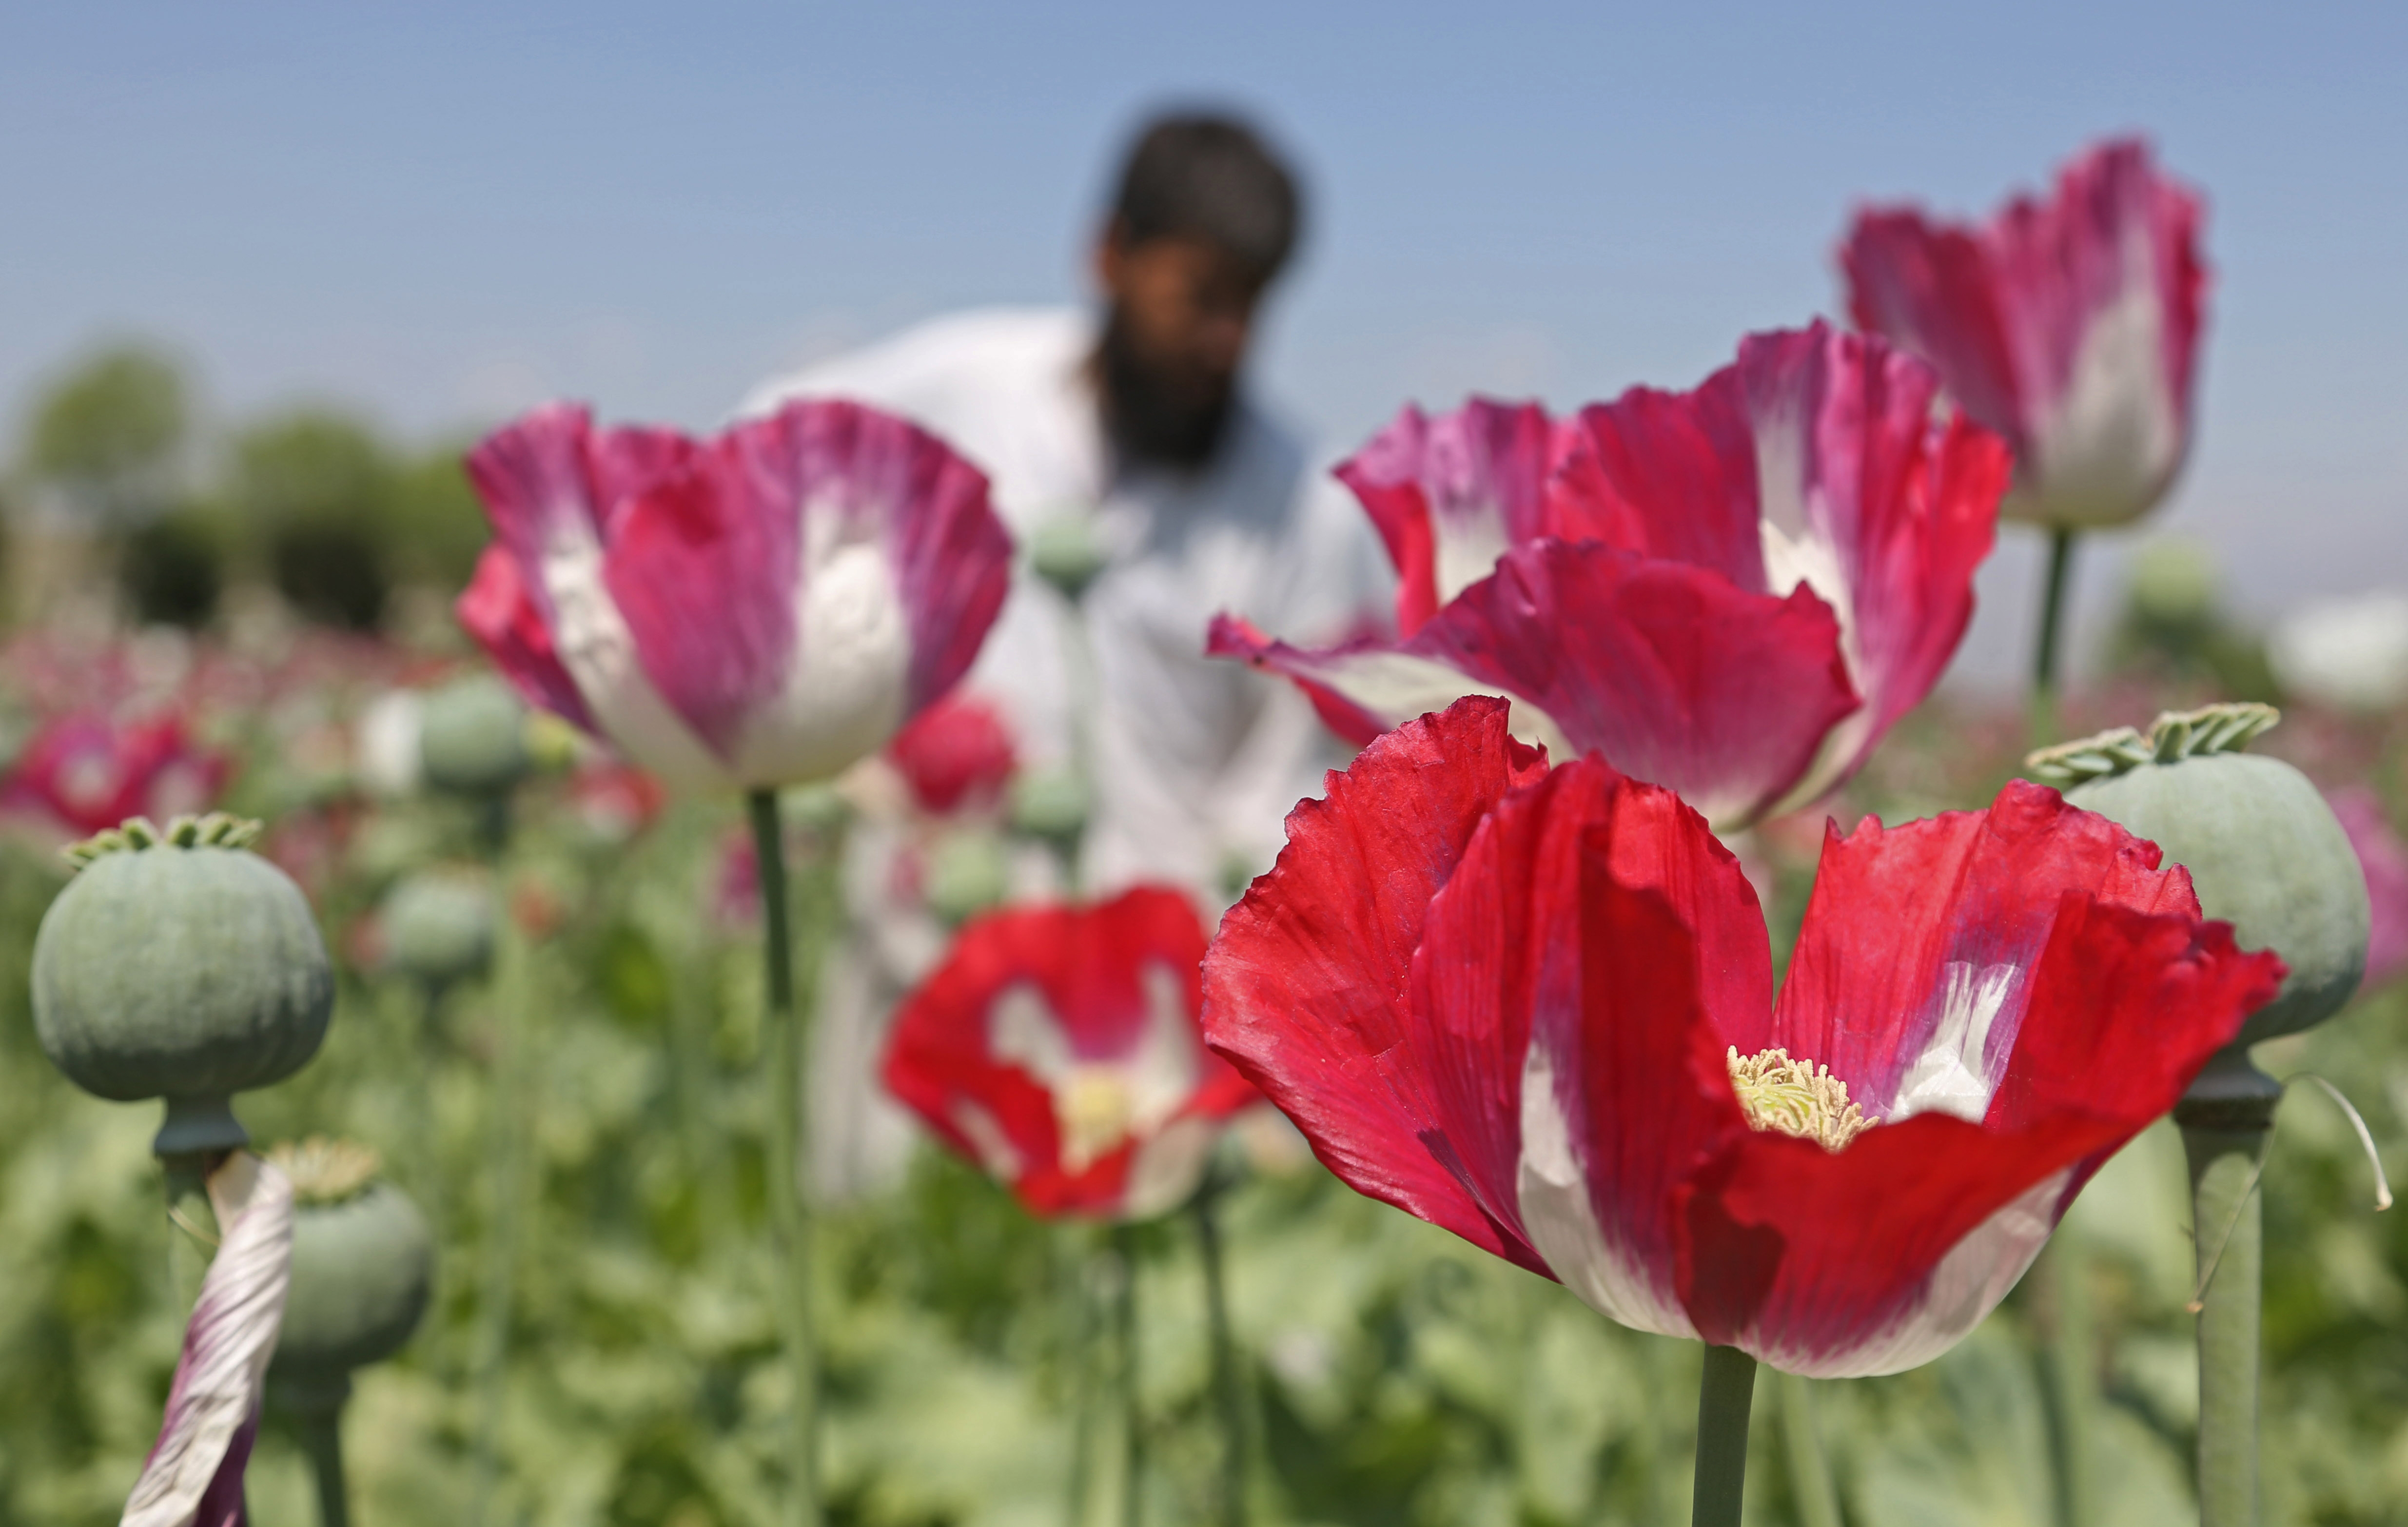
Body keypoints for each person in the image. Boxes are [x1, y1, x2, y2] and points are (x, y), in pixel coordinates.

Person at [741, 110, 1382, 1195]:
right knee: (867, 1240)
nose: (1225, 337)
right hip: (919, 941)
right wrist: (826, 725)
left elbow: (1293, 777)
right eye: (1199, 296)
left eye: (1251, 306)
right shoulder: (966, 388)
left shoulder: (1301, 511)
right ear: (1109, 257)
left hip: (1142, 1018)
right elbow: (755, 462)